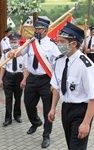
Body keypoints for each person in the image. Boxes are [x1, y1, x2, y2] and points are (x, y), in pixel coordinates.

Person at [8, 18, 61, 148]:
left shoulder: (52, 45)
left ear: (46, 30)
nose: (36, 31)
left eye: (38, 29)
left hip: (46, 80)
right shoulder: (30, 42)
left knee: (47, 109)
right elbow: (20, 52)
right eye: (35, 28)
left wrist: (56, 82)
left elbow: (59, 64)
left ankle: (46, 135)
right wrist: (13, 52)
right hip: (32, 78)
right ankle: (36, 122)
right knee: (28, 103)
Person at [48, 22, 94, 150]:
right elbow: (56, 87)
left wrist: (86, 123)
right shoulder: (59, 61)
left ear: (73, 44)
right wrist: (53, 108)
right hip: (66, 108)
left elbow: (92, 96)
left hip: (81, 111)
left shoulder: (85, 65)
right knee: (71, 145)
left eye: (62, 41)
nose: (59, 44)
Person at [0, 33, 28, 126]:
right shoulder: (6, 52)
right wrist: (0, 79)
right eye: (11, 42)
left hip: (19, 76)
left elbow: (26, 68)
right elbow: (2, 66)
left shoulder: (23, 52)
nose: (13, 43)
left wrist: (24, 79)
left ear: (19, 41)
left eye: (15, 42)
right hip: (8, 76)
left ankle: (17, 115)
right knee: (8, 98)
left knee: (18, 97)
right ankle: (8, 118)